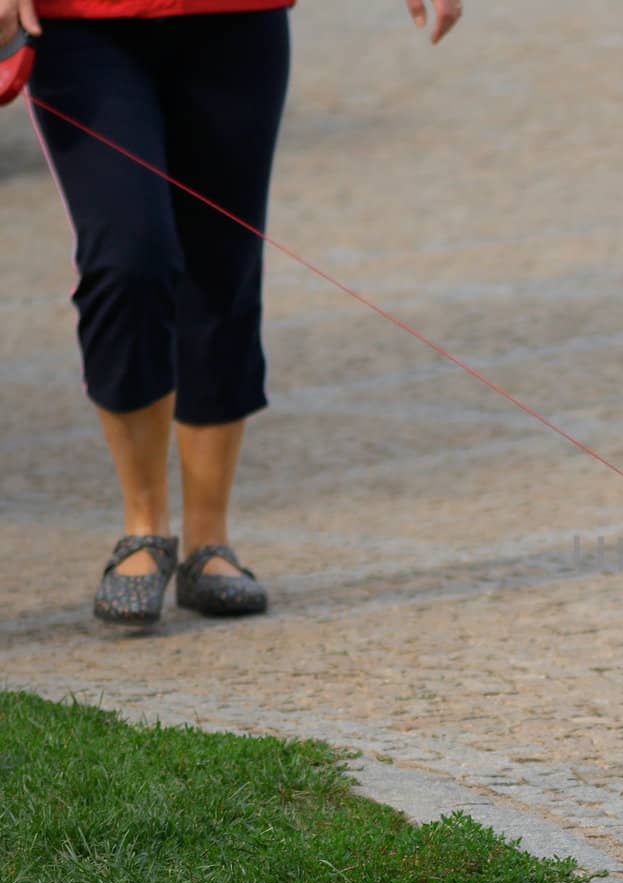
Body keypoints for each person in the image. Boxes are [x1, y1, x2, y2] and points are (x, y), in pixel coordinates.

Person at [5, 0, 461, 625]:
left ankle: (208, 543)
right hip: (80, 22)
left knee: (224, 264)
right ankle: (144, 530)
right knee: (128, 257)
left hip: (236, 17)